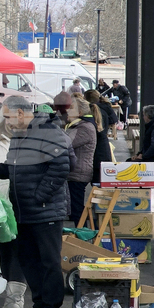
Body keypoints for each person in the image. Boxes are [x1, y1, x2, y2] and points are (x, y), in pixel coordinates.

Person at [0, 96, 70, 308]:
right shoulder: (19, 136)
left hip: (45, 210)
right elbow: (14, 169)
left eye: (7, 116)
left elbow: (63, 166)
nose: (6, 122)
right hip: (24, 209)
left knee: (49, 262)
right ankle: (39, 307)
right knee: (29, 260)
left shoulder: (47, 131)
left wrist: (40, 196)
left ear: (19, 113)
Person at [61, 94, 96, 225]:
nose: (67, 111)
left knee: (77, 209)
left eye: (71, 109)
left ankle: (82, 235)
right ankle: (81, 232)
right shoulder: (78, 126)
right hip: (76, 172)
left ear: (79, 112)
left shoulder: (84, 128)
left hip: (79, 173)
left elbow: (65, 143)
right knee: (75, 207)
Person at [83, 90, 114, 183]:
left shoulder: (95, 113)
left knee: (97, 182)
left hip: (97, 152)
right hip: (104, 150)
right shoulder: (104, 110)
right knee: (101, 182)